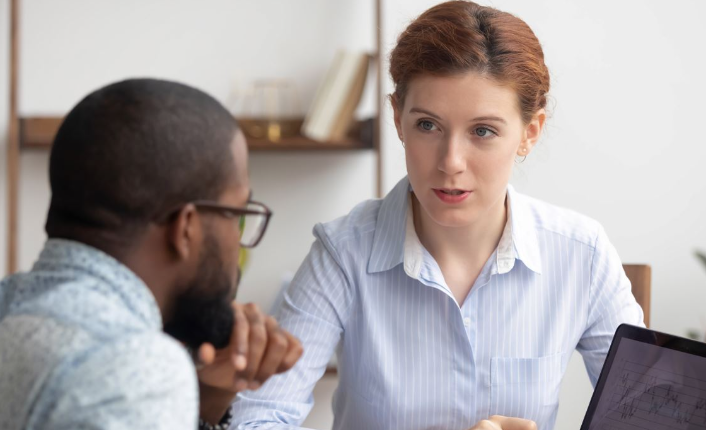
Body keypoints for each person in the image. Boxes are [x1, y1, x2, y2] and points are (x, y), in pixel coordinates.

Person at [231, 1, 644, 429]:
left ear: (529, 133)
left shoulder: (583, 254)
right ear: (397, 118)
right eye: (428, 125)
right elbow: (257, 418)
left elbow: (652, 420)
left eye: (483, 131)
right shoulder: (343, 253)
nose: (451, 162)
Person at [0, 78, 303, 430]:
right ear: (186, 227)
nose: (238, 240)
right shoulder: (137, 364)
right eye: (236, 214)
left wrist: (206, 399)